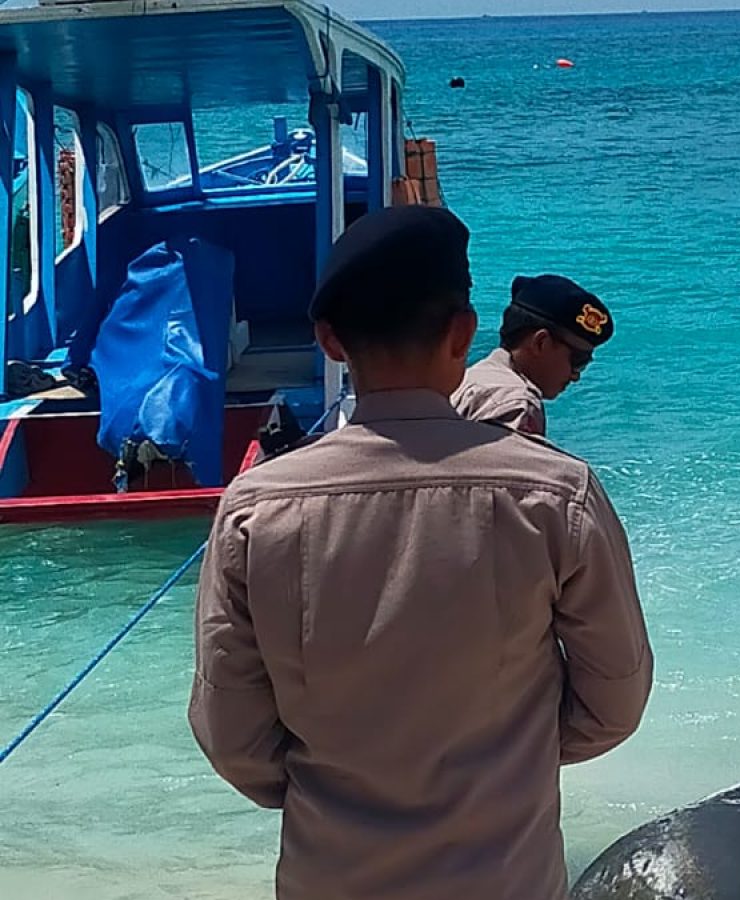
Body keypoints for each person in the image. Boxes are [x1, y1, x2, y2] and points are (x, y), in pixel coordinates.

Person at [188, 206, 653, 900]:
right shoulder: (559, 495)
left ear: (329, 341)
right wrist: (508, 762)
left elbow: (233, 736)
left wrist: (344, 787)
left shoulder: (257, 510)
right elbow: (615, 700)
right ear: (463, 333)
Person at [451, 273, 613, 436]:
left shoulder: (470, 378)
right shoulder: (517, 405)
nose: (576, 376)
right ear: (540, 343)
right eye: (578, 360)